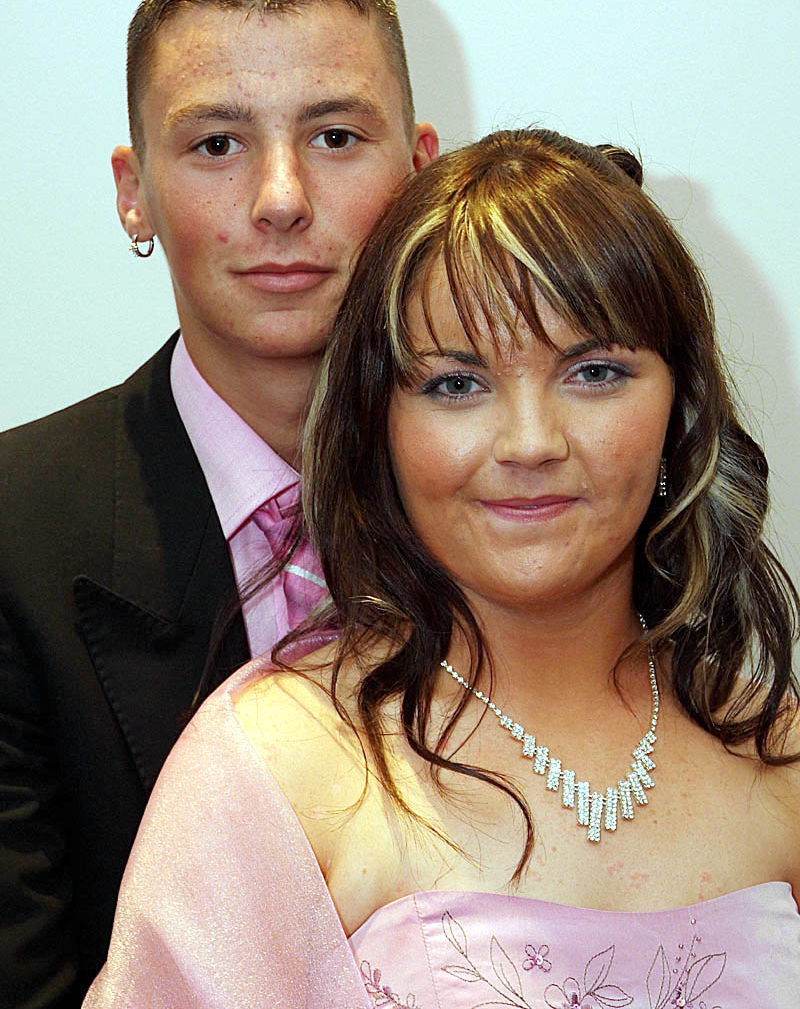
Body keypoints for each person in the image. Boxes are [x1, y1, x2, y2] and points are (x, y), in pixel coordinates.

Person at [85, 129, 800, 1008]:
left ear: (680, 408)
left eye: (595, 372)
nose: (531, 443)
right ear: (379, 426)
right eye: (457, 384)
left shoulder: (777, 749)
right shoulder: (273, 765)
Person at [0, 0, 438, 1008]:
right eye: (215, 145)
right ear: (133, 189)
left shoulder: (539, 494)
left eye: (335, 136)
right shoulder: (13, 533)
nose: (281, 197)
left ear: (421, 171)